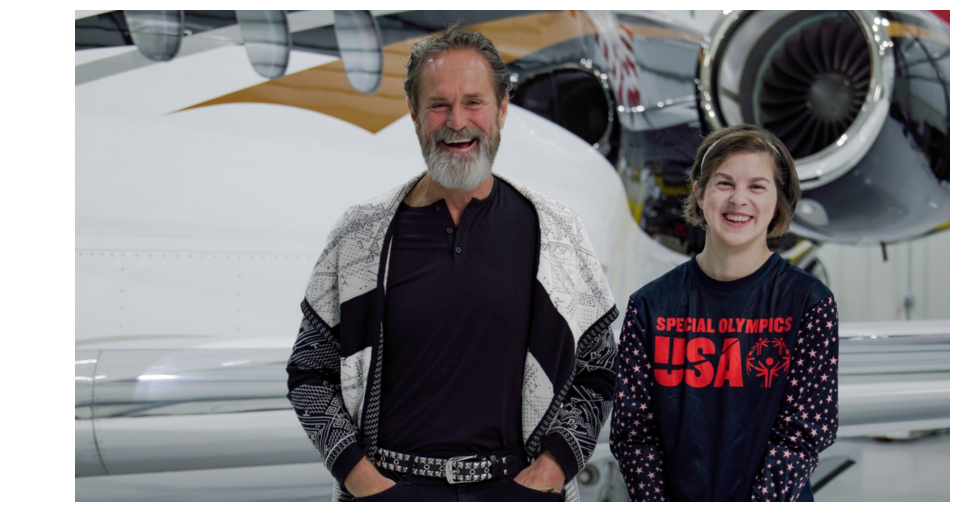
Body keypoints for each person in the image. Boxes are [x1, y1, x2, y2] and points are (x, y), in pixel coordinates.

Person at [285, 27, 618, 502]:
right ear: (414, 113)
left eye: (474, 102)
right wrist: (359, 477)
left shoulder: (556, 233)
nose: (457, 122)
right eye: (439, 104)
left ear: (502, 109)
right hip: (392, 492)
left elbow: (598, 368)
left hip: (518, 490)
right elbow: (310, 371)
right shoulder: (360, 235)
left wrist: (554, 465)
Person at [609, 125, 839, 501]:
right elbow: (634, 433)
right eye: (724, 183)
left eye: (757, 186)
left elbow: (803, 432)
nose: (738, 199)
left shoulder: (809, 304)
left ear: (779, 202)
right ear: (699, 193)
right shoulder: (650, 306)